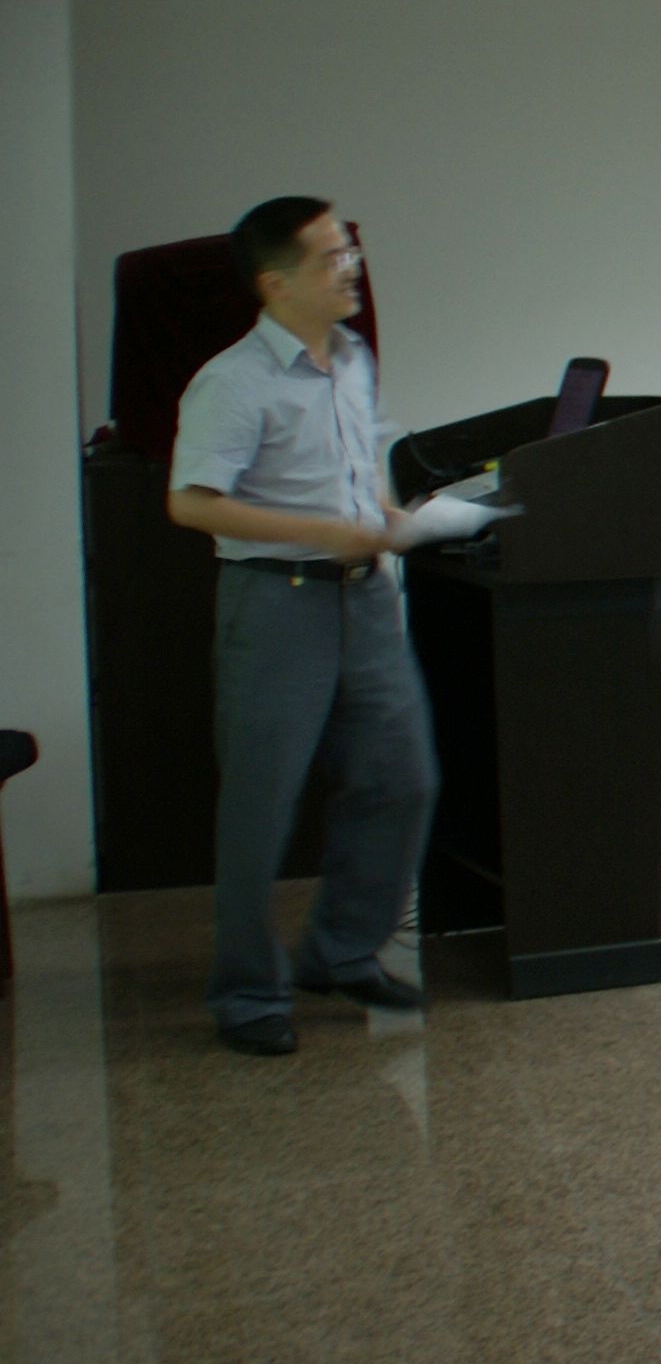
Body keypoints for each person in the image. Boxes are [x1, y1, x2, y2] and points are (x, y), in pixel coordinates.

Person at [168, 196, 439, 1053]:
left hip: (364, 598)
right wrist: (317, 530)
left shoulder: (352, 358)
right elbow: (190, 504)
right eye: (331, 257)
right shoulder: (233, 380)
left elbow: (362, 468)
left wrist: (393, 516)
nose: (351, 267)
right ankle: (249, 995)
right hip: (277, 602)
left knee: (401, 779)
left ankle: (343, 951)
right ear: (275, 281)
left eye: (351, 250)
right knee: (263, 803)